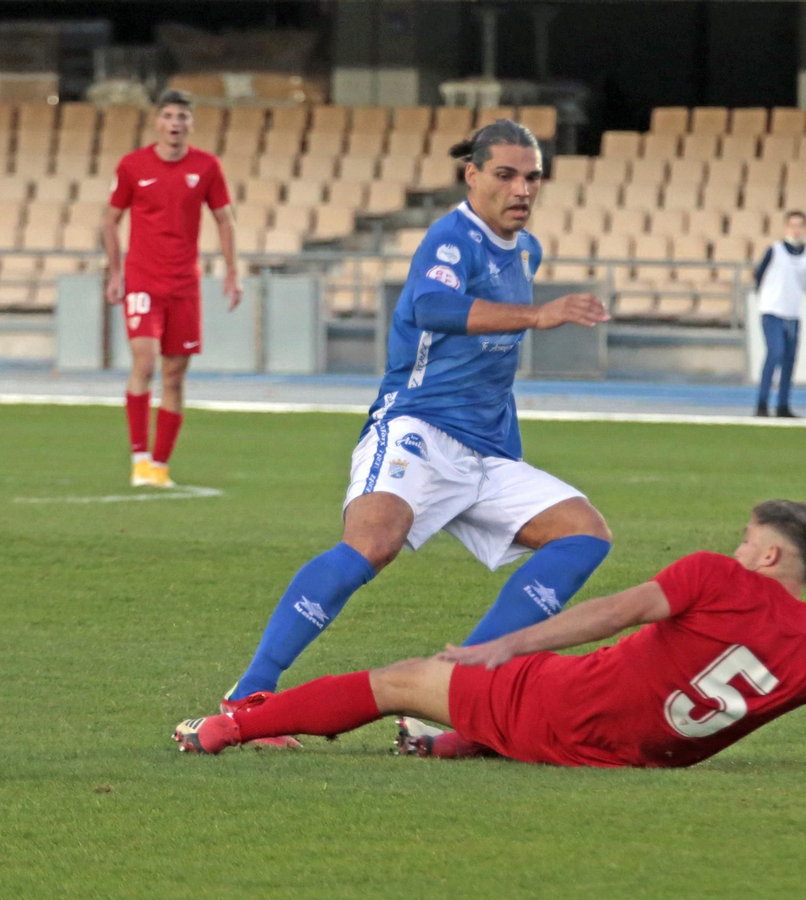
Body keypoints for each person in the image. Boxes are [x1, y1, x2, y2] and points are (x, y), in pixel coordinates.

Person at [176, 500, 806, 778]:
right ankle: (462, 741)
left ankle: (227, 728)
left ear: (772, 553)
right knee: (479, 713)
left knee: (399, 678)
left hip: (562, 709)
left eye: (752, 538)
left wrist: (505, 646)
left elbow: (614, 611)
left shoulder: (715, 574)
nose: (741, 544)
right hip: (634, 759)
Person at [215, 120, 614, 748]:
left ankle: (458, 684)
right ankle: (249, 696)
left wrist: (505, 445)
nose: (522, 188)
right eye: (506, 174)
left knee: (584, 534)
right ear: (473, 175)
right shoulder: (452, 238)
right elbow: (429, 307)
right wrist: (541, 314)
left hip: (484, 452)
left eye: (532, 176)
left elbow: (493, 369)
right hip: (417, 430)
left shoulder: (525, 250)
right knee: (374, 542)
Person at [103, 89, 240, 489]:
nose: (175, 123)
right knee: (144, 362)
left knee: (175, 375)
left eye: (182, 116)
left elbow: (225, 219)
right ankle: (138, 458)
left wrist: (232, 271)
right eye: (168, 116)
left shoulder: (207, 167)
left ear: (191, 123)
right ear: (157, 122)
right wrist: (115, 273)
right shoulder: (133, 166)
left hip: (185, 283)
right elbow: (110, 220)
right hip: (143, 278)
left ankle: (160, 467)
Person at [753, 210, 806, 418]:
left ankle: (783, 405)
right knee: (775, 352)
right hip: (772, 311)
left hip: (793, 313)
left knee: (789, 359)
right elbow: (759, 274)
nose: (796, 230)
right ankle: (762, 402)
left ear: (805, 229)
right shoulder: (775, 250)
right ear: (785, 228)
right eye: (792, 226)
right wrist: (766, 296)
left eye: (799, 226)